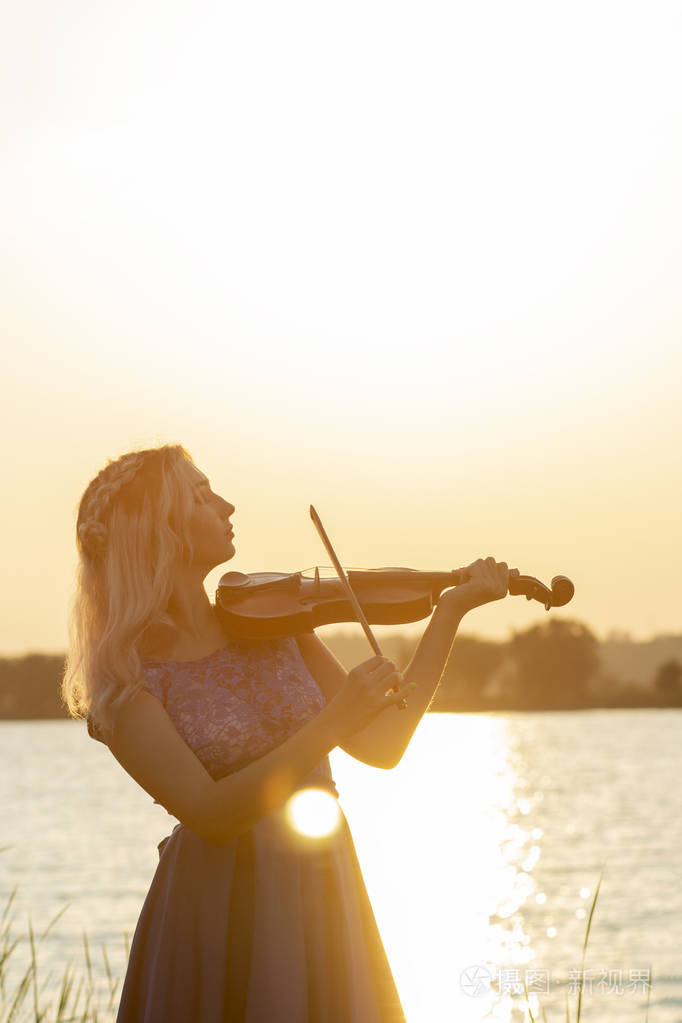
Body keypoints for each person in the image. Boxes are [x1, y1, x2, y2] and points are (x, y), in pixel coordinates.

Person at [61, 444, 512, 1022]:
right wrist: (331, 722)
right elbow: (211, 813)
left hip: (321, 882)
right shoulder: (125, 685)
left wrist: (449, 612)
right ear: (160, 529)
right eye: (200, 496)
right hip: (221, 904)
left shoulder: (270, 621)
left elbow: (383, 743)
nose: (226, 505)